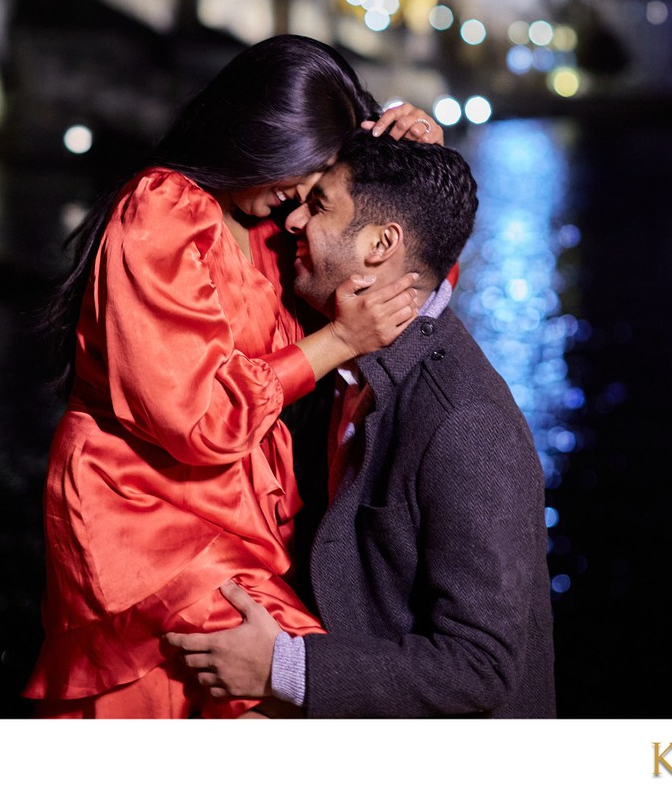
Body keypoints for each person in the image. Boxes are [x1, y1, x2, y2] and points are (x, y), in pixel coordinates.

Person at [24, 34, 442, 719]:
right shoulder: (162, 210)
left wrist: (412, 164)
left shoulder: (279, 230)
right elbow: (195, 414)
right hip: (142, 520)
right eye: (301, 170)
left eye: (318, 183)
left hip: (235, 523)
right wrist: (338, 339)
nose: (301, 193)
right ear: (257, 134)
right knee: (270, 698)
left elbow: (391, 287)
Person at [167, 131, 557, 718]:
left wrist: (284, 668)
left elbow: (481, 669)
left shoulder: (467, 424)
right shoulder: (346, 352)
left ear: (381, 245)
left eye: (319, 205)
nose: (292, 220)